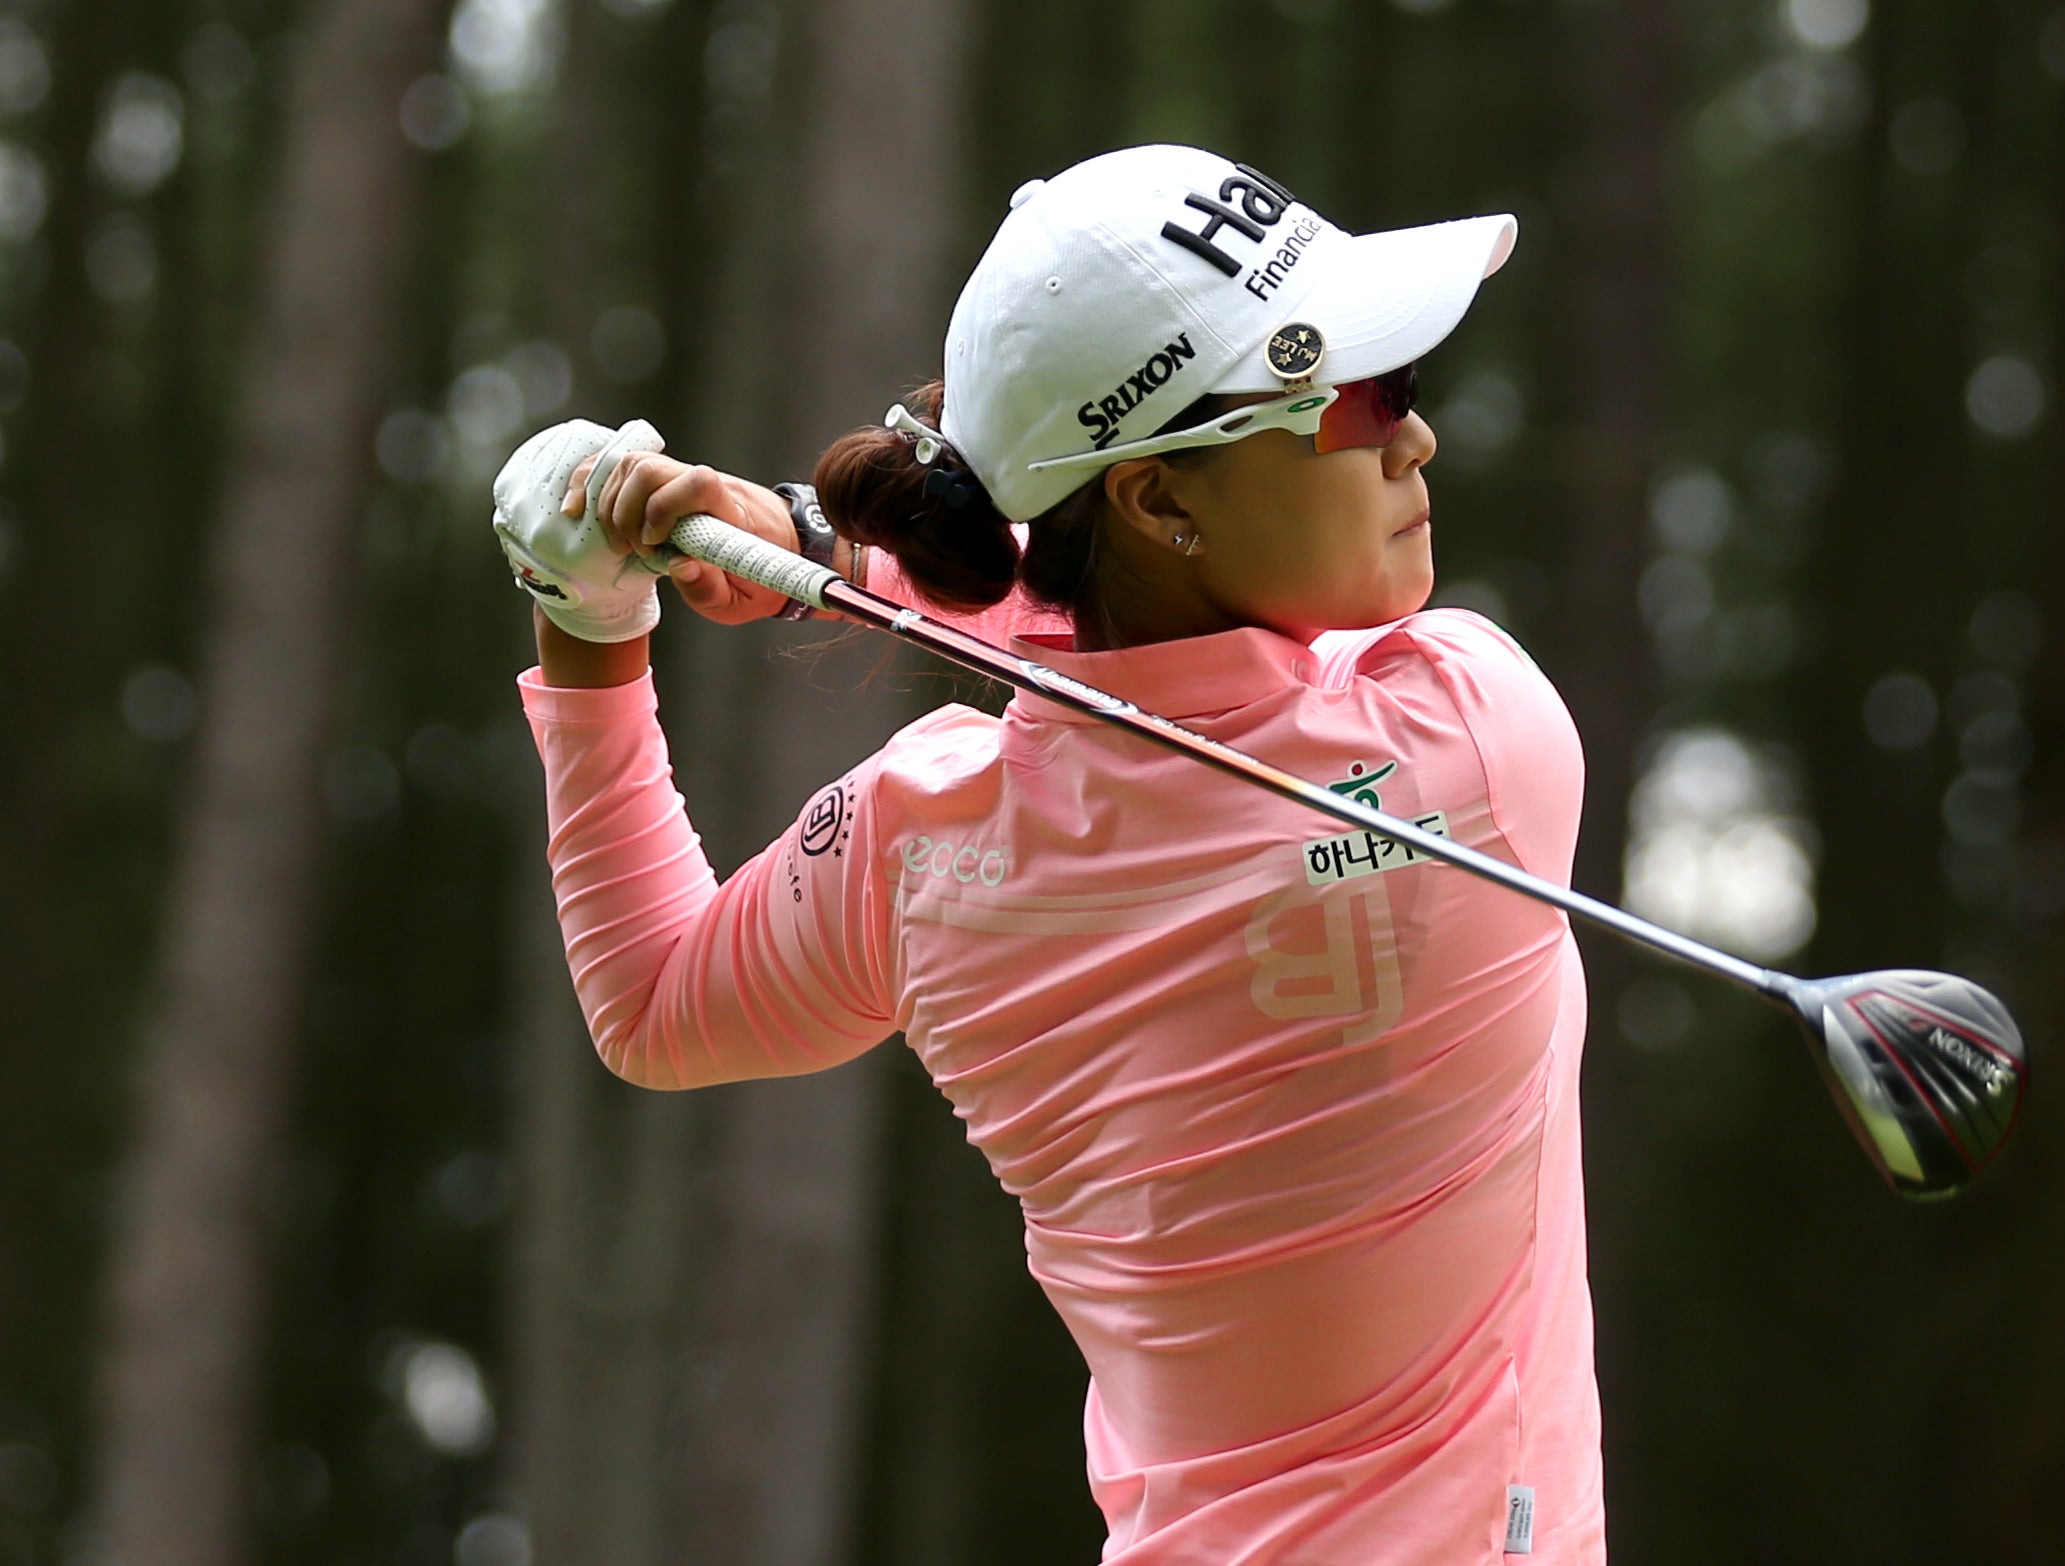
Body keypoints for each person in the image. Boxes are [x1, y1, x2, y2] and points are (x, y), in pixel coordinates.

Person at [494, 144, 1602, 1564]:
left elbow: (647, 999)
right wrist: (828, 560)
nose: (1412, 439)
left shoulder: (922, 845)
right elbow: (1181, 647)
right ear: (1153, 498)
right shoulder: (1481, 738)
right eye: (1351, 398)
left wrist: (589, 625)